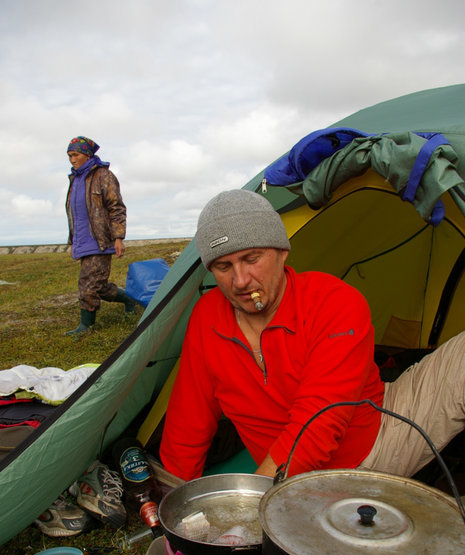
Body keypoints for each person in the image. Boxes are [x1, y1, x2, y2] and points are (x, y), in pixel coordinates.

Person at [159, 189, 465, 482]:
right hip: (299, 479)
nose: (240, 280)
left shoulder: (333, 301)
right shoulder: (208, 317)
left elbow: (319, 423)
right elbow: (188, 421)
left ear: (282, 252)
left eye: (252, 259)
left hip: (378, 443)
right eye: (223, 266)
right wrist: (177, 507)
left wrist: (254, 501)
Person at [65, 136, 135, 335]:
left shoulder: (104, 176)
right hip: (83, 241)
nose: (72, 159)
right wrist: (73, 241)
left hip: (101, 241)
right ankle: (128, 299)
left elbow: (117, 208)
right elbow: (75, 214)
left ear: (87, 154)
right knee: (100, 286)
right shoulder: (75, 179)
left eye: (75, 155)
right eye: (69, 156)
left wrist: (118, 237)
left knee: (88, 284)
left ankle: (86, 326)